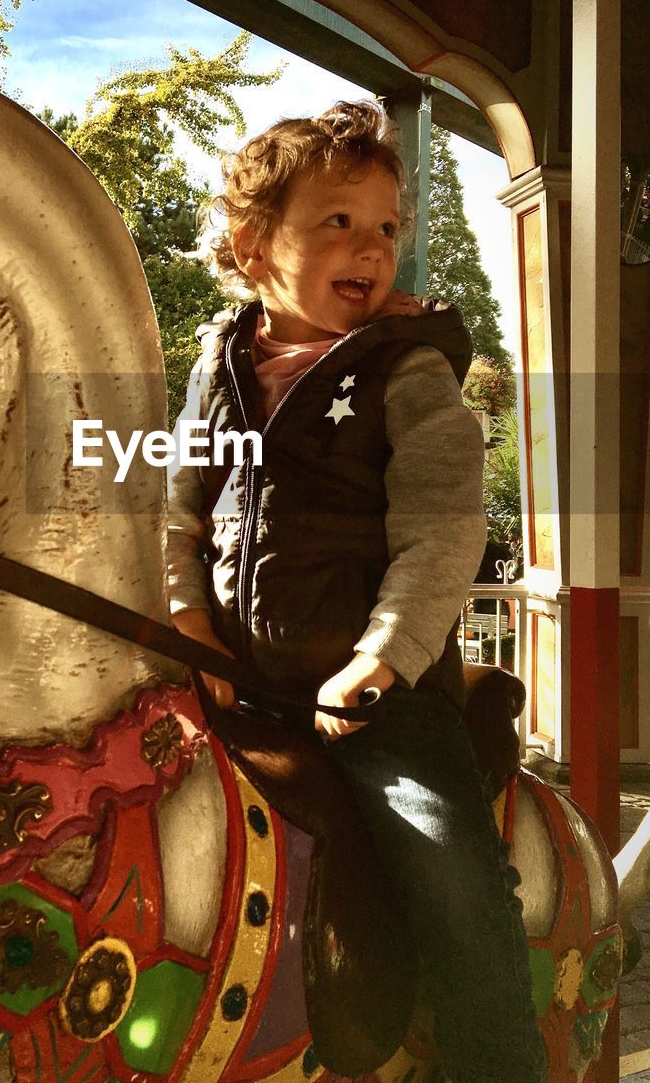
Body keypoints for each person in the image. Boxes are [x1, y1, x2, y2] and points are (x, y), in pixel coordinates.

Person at [166, 102, 547, 1083]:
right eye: (338, 220)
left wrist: (381, 656)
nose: (370, 248)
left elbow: (442, 527)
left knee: (453, 875)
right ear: (252, 246)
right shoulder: (218, 371)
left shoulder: (405, 371)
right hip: (234, 679)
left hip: (376, 701)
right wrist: (186, 616)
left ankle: (496, 1059)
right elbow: (177, 513)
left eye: (386, 229)